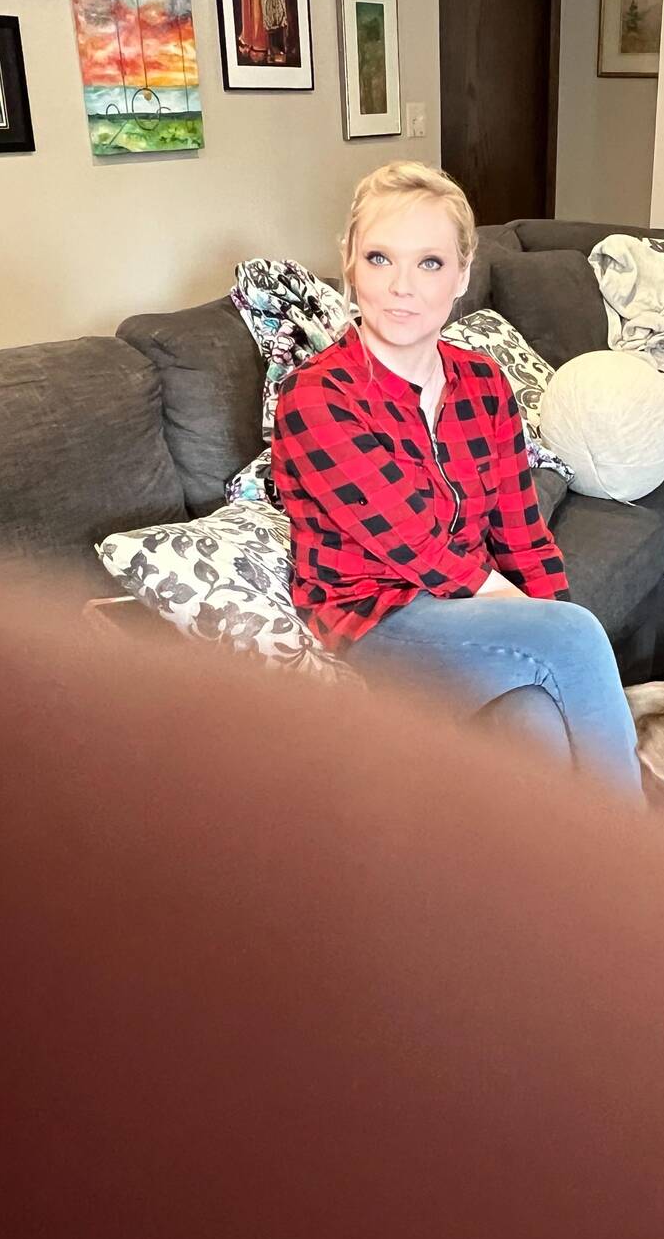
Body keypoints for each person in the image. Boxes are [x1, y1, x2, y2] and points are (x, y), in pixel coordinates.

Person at [270, 160, 641, 791]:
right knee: (573, 639)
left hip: (467, 612)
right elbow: (413, 545)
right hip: (373, 618)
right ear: (350, 263)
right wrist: (543, 624)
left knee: (537, 715)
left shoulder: (483, 382)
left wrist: (544, 615)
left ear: (462, 274)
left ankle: (562, 854)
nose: (401, 287)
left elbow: (522, 533)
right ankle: (643, 847)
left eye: (430, 263)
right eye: (380, 258)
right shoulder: (317, 396)